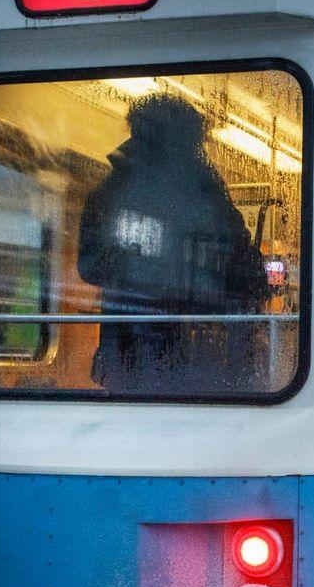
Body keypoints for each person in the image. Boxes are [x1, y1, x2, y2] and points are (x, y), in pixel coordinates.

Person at [78, 95, 267, 392]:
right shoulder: (203, 192)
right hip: (192, 353)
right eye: (196, 141)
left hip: (123, 349)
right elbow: (246, 266)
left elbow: (89, 267)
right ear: (183, 141)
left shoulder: (110, 191)